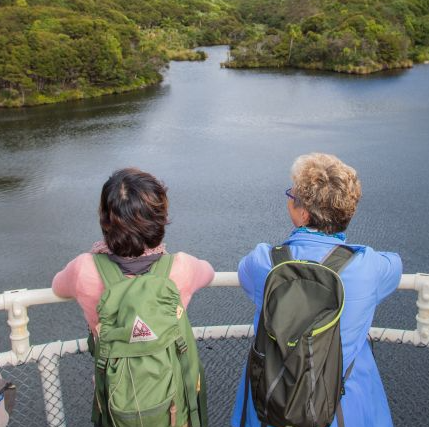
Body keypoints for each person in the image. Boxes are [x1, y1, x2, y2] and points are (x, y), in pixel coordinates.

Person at [231, 153, 403, 427]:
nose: (289, 200)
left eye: (292, 196)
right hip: (342, 409)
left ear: (304, 213)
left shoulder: (264, 261)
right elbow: (395, 264)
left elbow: (243, 273)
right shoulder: (368, 266)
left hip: (272, 406)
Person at [51, 167, 214, 336]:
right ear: (160, 219)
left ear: (105, 219)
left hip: (110, 354)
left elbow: (57, 287)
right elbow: (209, 273)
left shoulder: (83, 268)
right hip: (167, 354)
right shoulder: (183, 267)